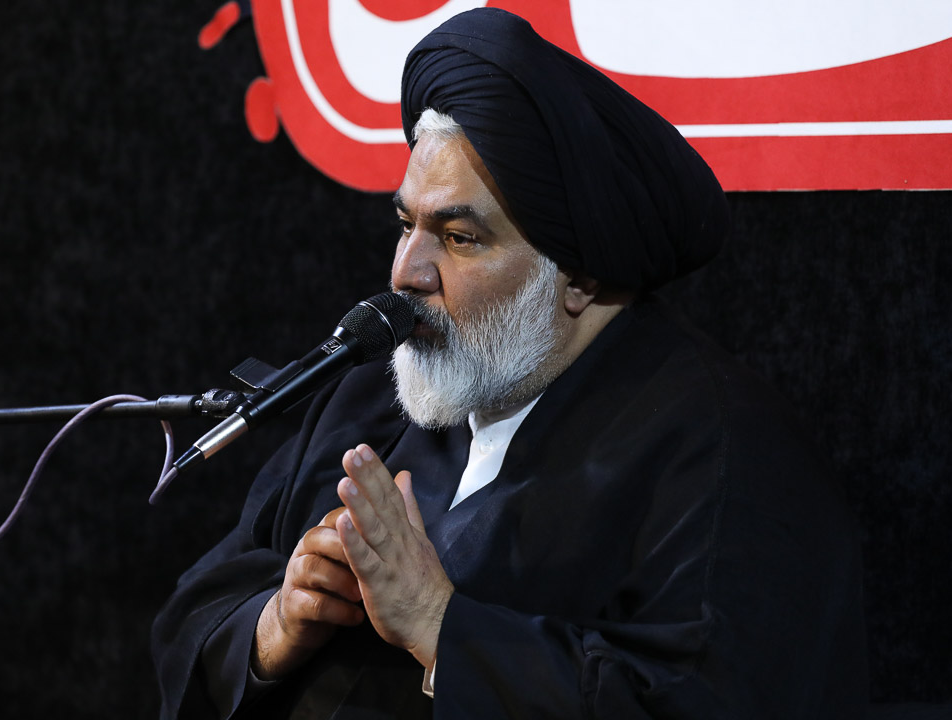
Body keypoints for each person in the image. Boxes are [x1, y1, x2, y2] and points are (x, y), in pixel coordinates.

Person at [152, 8, 868, 719]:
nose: (406, 273)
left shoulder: (724, 453)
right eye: (406, 224)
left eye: (458, 238)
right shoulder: (368, 399)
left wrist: (439, 625)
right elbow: (197, 607)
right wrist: (280, 622)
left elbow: (705, 701)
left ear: (579, 276)